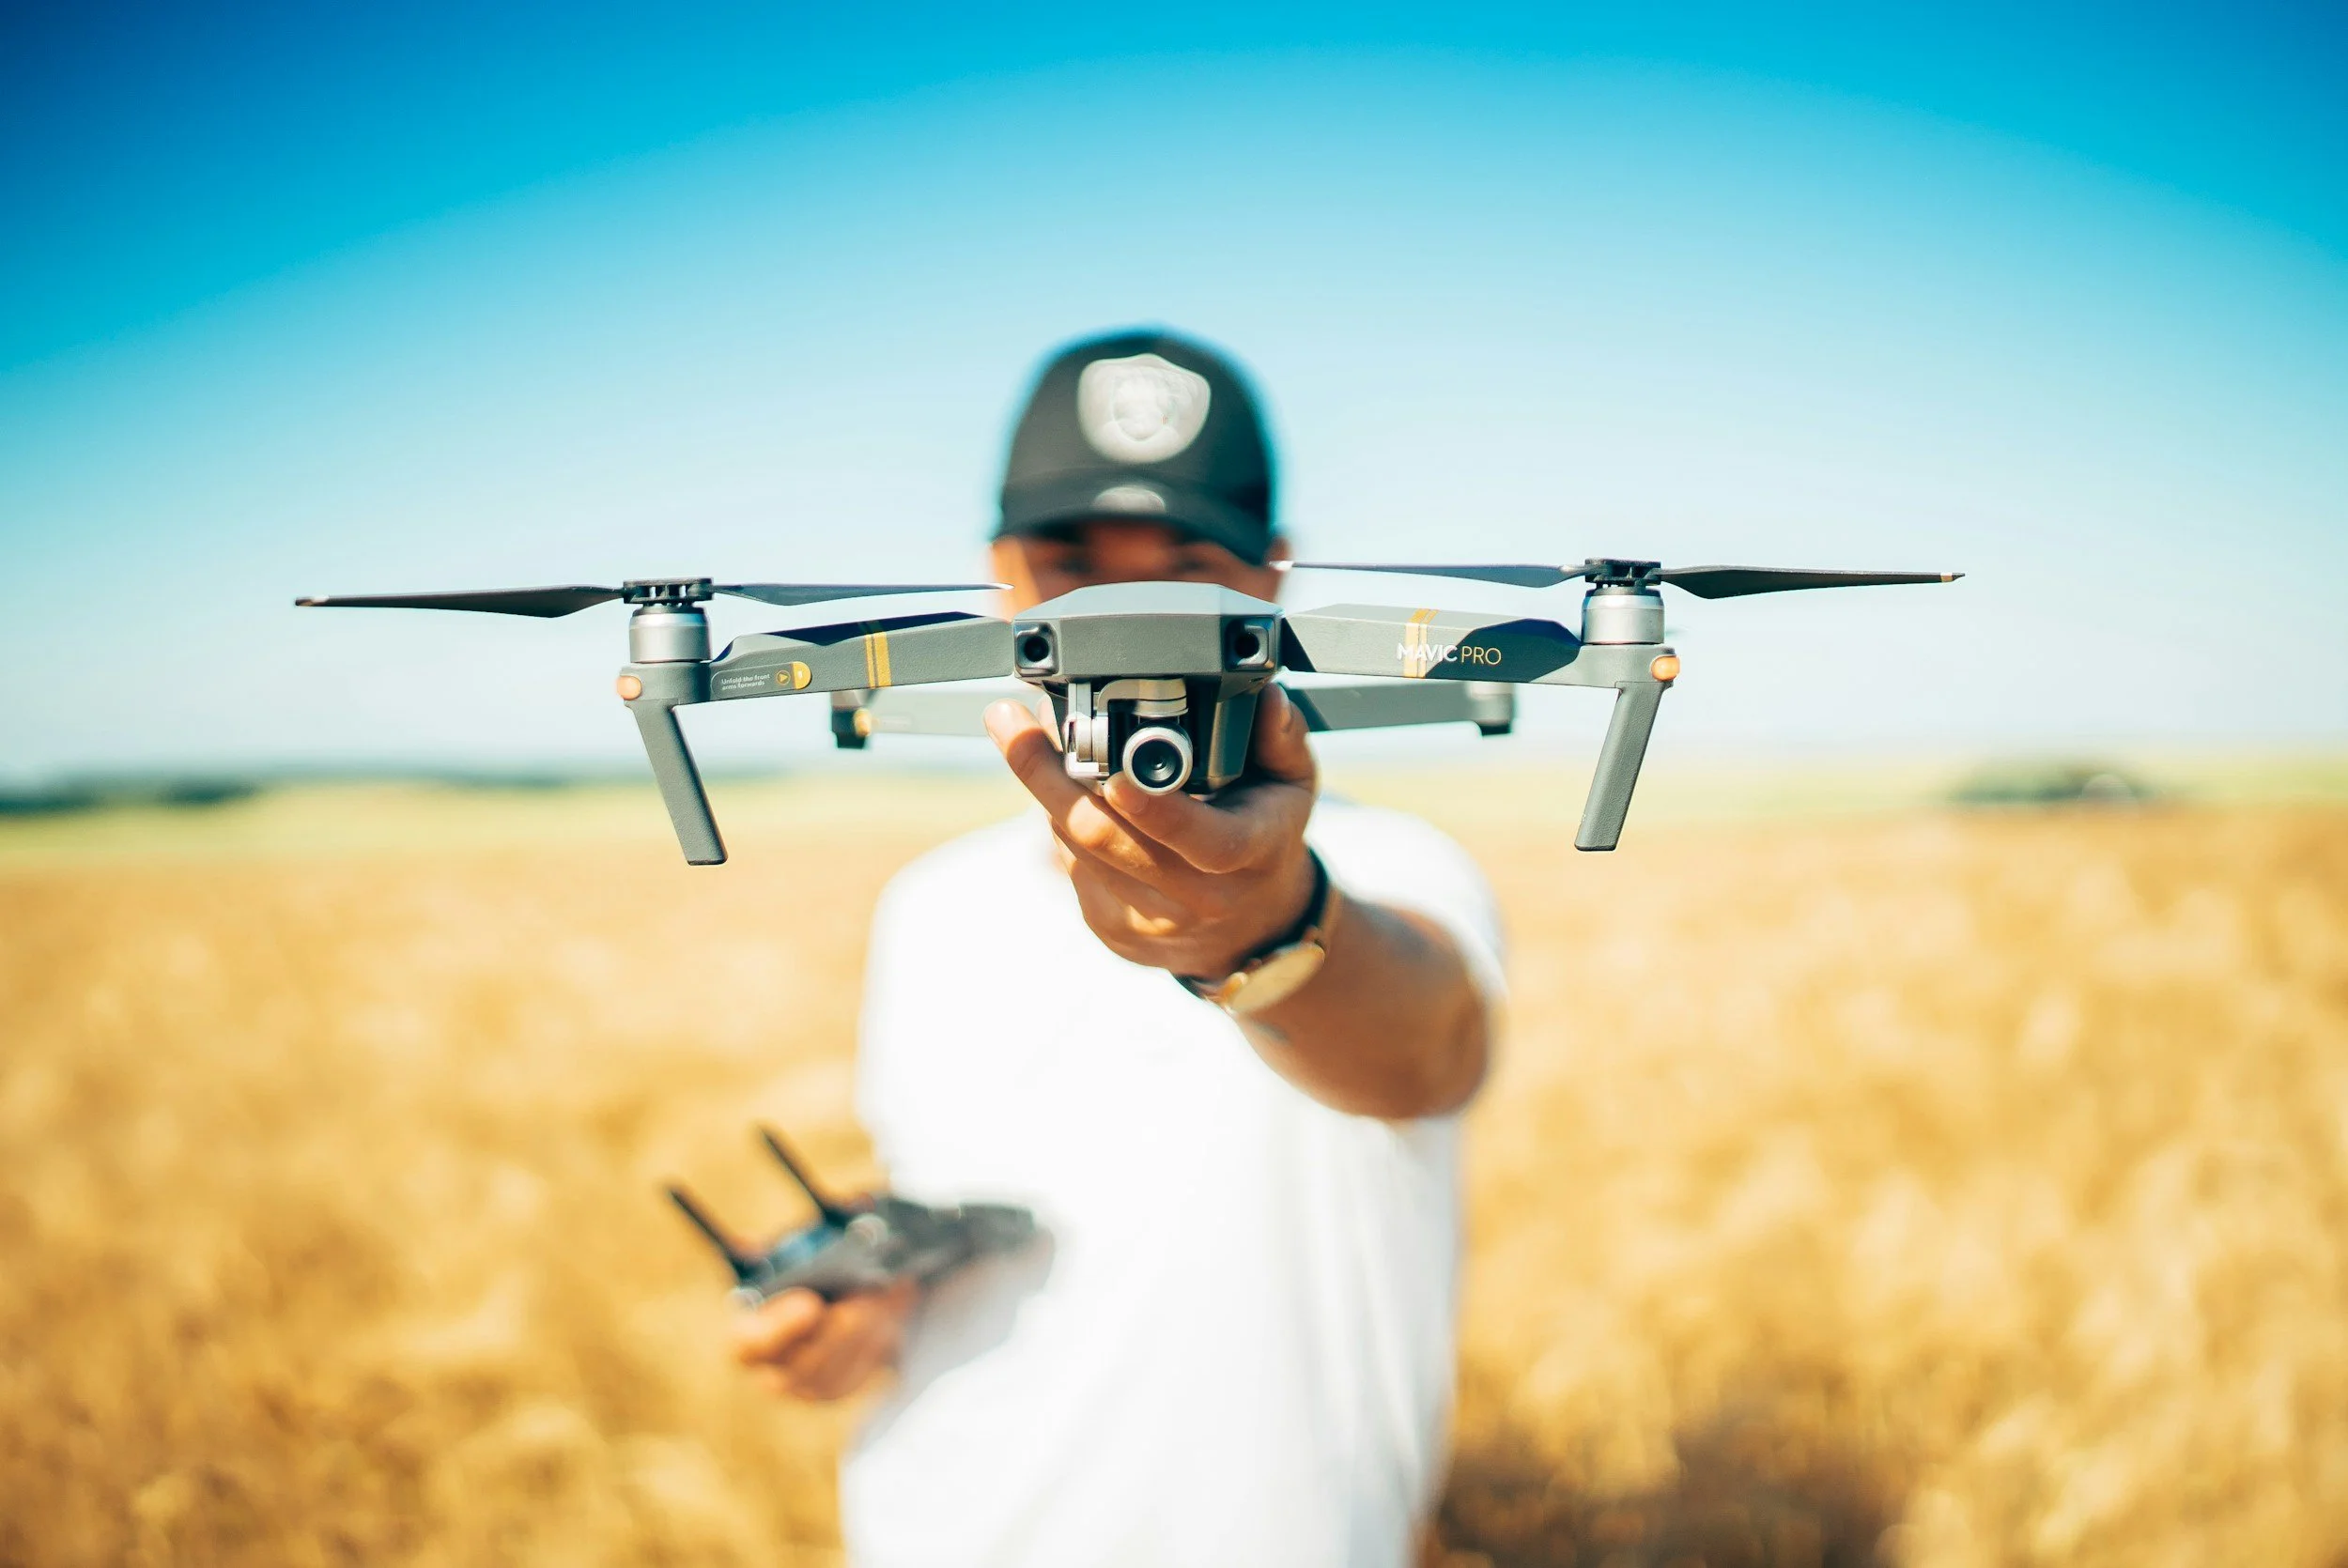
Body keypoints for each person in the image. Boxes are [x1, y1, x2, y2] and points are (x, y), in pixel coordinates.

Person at [731, 330, 1505, 1568]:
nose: (1128, 617)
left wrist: (1271, 924)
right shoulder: (928, 907)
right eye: (1075, 566)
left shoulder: (1402, 872)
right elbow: (972, 1180)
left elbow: (1420, 1051)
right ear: (1002, 573)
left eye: (1184, 570)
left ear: (1270, 578)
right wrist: (864, 1296)